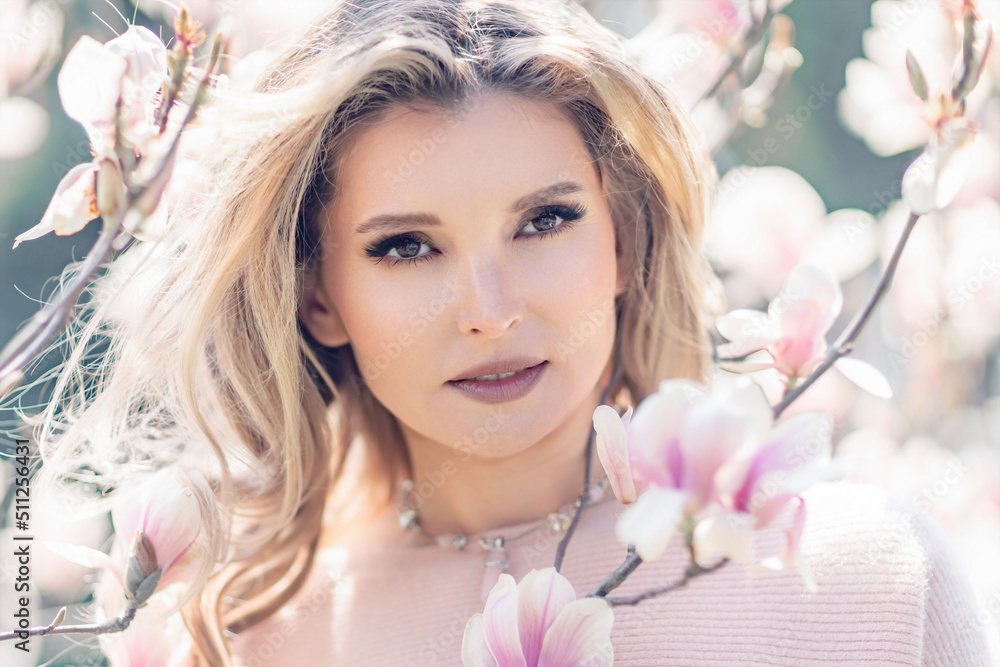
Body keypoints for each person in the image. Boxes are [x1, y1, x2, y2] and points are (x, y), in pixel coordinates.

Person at [26, 0, 990, 665]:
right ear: (321, 297)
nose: (489, 306)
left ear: (623, 241)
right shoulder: (249, 633)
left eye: (544, 221)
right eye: (406, 247)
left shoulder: (870, 577)